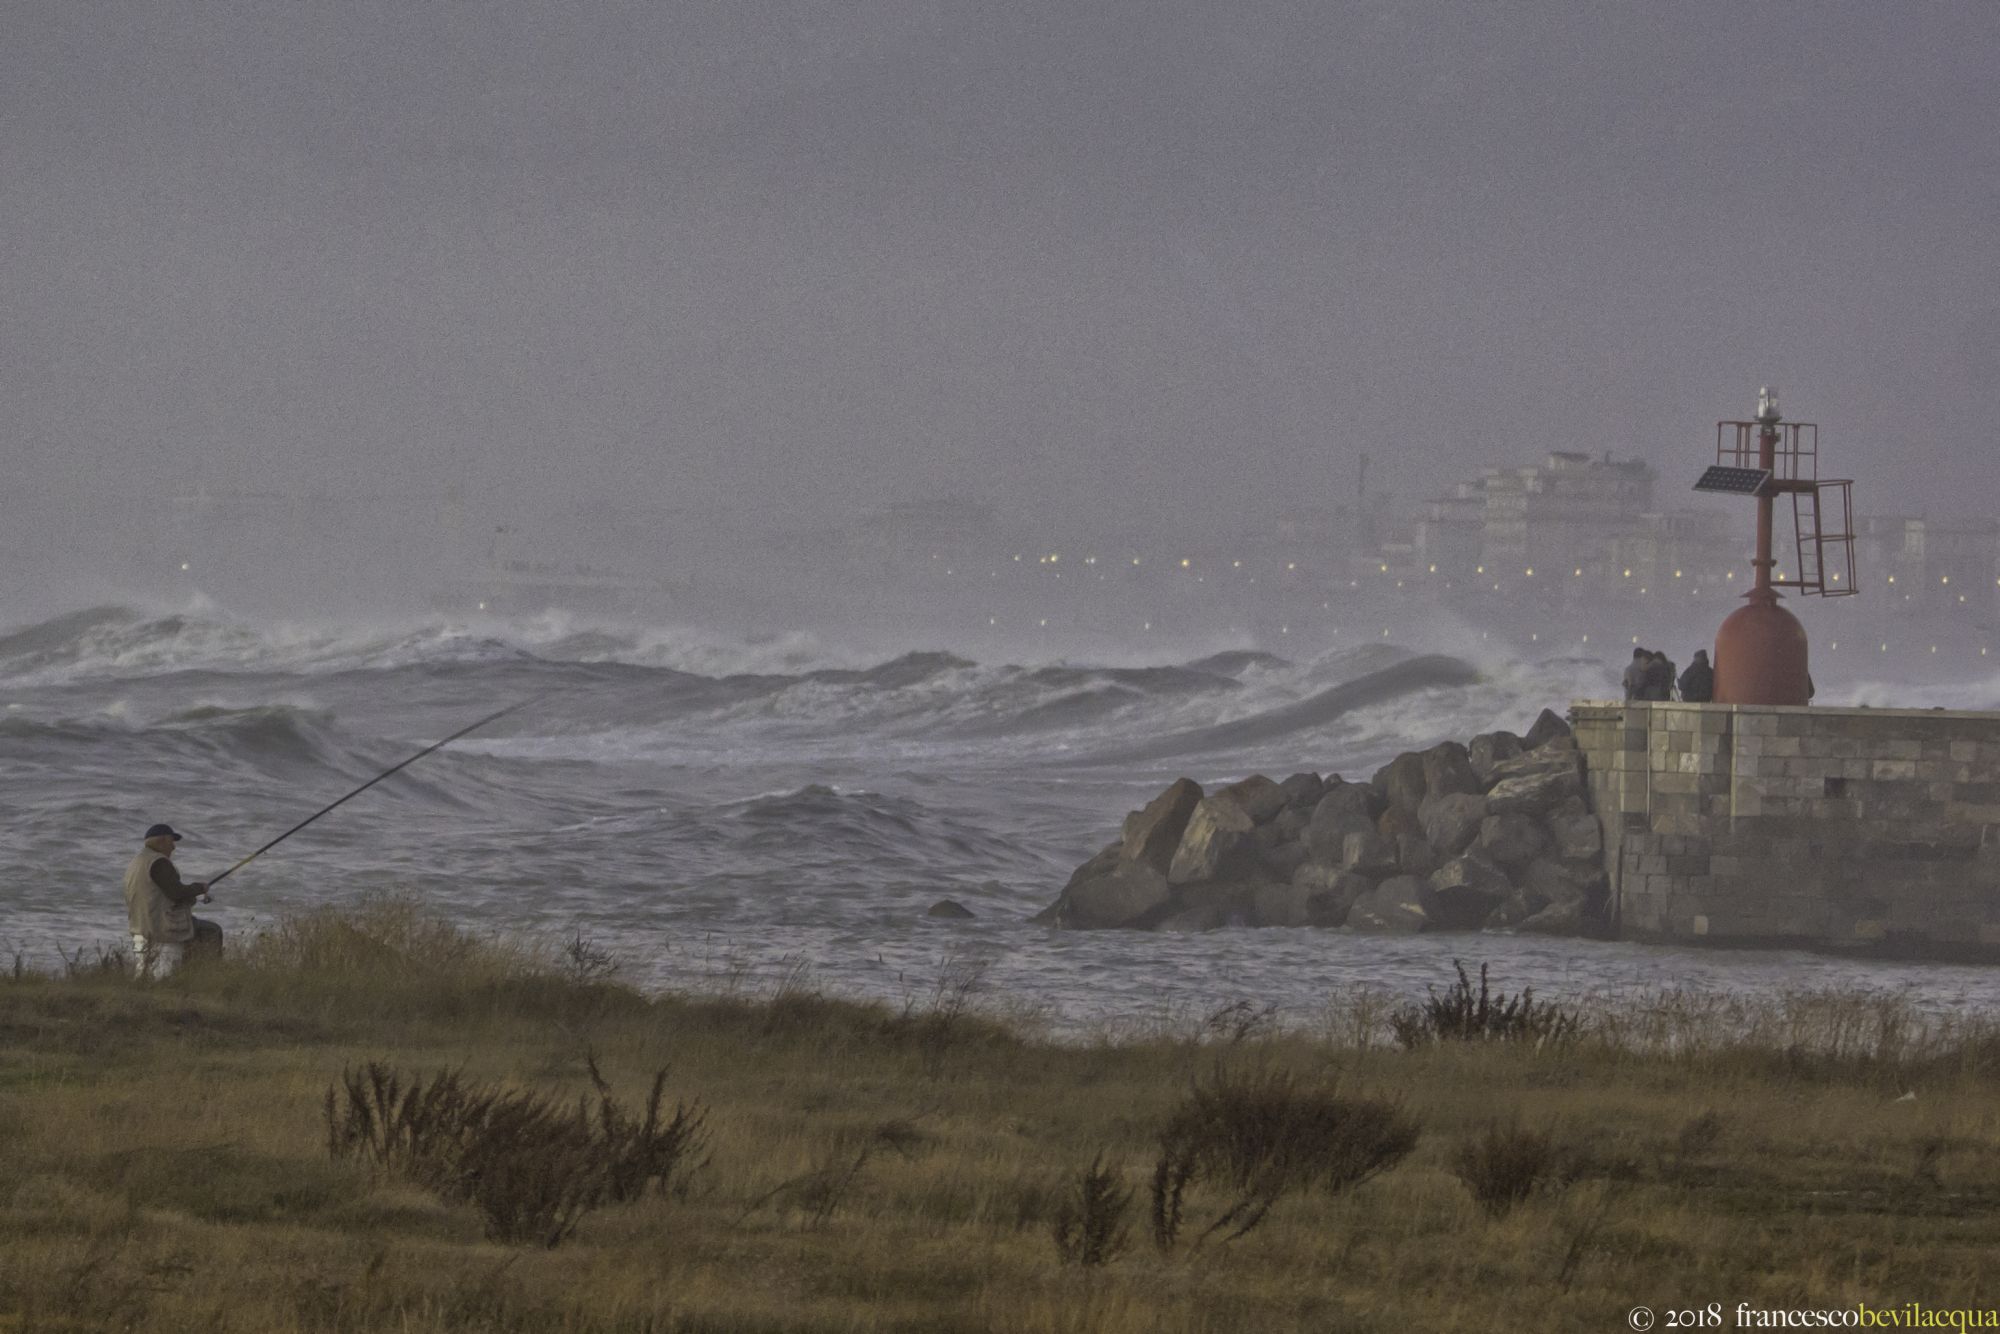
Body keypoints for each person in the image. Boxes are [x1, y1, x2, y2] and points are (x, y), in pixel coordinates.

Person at [123, 823, 219, 979]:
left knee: (144, 977)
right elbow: (176, 892)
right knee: (212, 931)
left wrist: (191, 897)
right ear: (161, 841)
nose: (173, 847)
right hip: (161, 926)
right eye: (171, 842)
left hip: (140, 926)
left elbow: (160, 893)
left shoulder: (136, 862)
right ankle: (207, 977)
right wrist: (199, 888)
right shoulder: (158, 862)